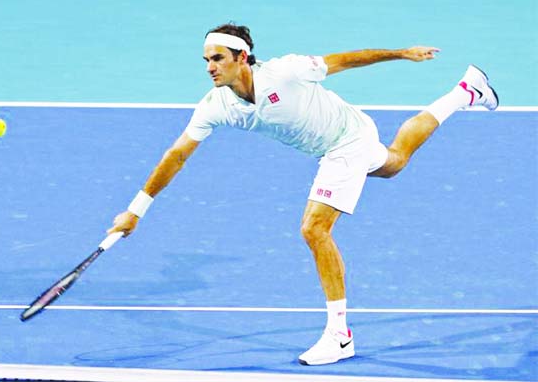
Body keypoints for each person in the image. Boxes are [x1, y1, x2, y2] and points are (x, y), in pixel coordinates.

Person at [107, 23, 498, 365]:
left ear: (242, 57)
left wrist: (401, 53)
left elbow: (345, 60)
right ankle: (466, 92)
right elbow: (177, 155)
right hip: (337, 144)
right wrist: (136, 210)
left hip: (346, 141)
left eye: (218, 58)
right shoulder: (217, 106)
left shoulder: (286, 72)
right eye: (206, 59)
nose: (209, 67)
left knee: (314, 230)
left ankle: (339, 336)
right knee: (395, 162)